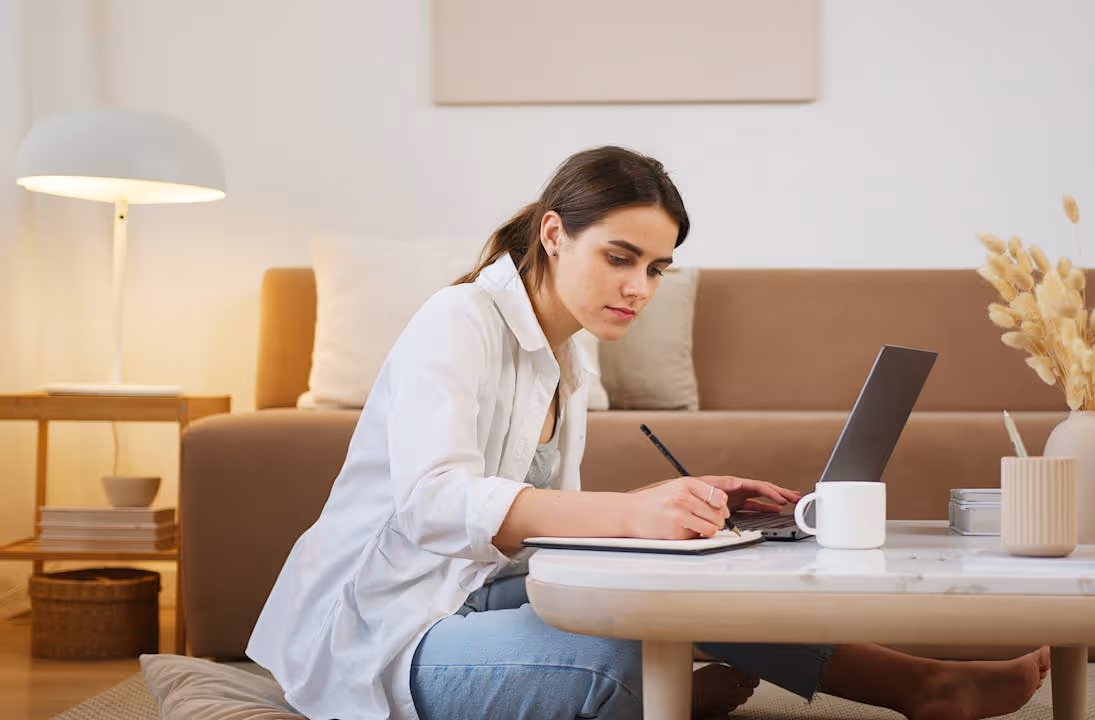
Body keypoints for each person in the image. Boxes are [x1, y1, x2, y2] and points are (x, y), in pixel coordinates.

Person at [247, 146, 1050, 720]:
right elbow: (433, 503)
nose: (639, 288)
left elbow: (537, 526)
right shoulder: (457, 321)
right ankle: (666, 697)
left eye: (656, 269)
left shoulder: (568, 354)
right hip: (383, 632)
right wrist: (634, 515)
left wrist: (672, 509)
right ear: (555, 234)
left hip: (469, 592)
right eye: (621, 258)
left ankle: (920, 685)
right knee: (626, 657)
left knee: (693, 579)